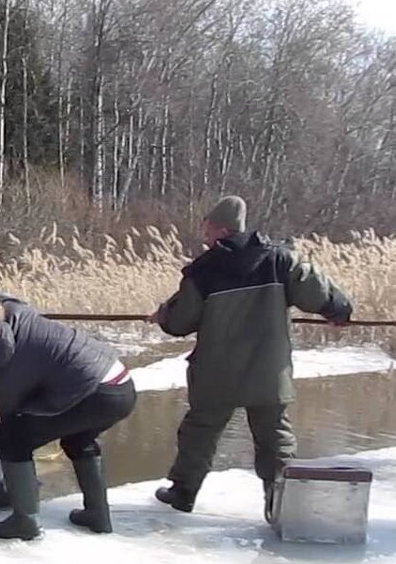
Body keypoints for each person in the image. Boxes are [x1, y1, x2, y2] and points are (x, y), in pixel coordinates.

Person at [146, 195, 353, 523]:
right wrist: (338, 310)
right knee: (275, 437)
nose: (204, 235)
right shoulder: (281, 260)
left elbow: (181, 322)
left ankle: (183, 493)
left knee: (200, 431)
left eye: (208, 228)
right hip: (268, 370)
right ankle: (280, 502)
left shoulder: (203, 271)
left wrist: (163, 316)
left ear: (222, 228)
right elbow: (316, 292)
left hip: (217, 372)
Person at [0, 284, 137, 541]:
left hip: (92, 392)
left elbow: (11, 417)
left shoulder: (0, 373)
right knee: (78, 438)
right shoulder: (14, 310)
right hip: (120, 385)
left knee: (12, 438)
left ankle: (24, 520)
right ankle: (97, 514)